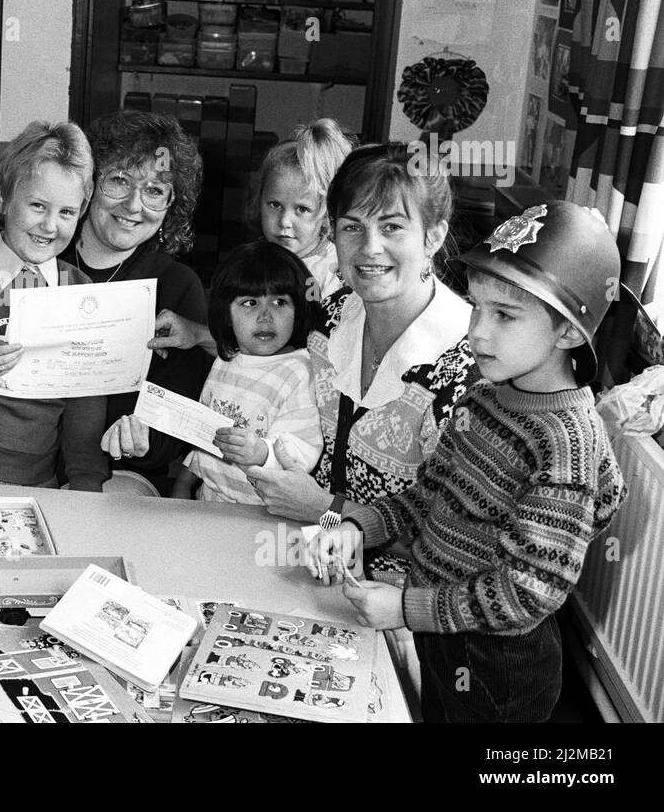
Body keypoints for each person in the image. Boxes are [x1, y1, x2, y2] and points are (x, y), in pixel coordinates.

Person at [308, 202, 626, 722]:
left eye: (504, 315)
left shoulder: (566, 444)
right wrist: (357, 527)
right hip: (440, 628)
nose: (478, 332)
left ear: (568, 332)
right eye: (477, 307)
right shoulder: (484, 395)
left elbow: (527, 590)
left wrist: (408, 608)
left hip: (497, 669)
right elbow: (429, 494)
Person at [150, 144, 477, 573]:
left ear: (433, 235)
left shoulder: (467, 367)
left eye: (392, 227)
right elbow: (263, 361)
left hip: (400, 601)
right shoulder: (331, 316)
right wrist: (198, 336)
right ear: (332, 232)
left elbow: (459, 545)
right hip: (293, 558)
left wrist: (325, 509)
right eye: (352, 227)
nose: (369, 248)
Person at [0, 110, 209, 494]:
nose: (134, 205)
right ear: (94, 187)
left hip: (93, 469)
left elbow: (127, 415)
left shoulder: (167, 286)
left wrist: (130, 450)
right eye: (119, 181)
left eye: (154, 191)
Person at [0, 120, 108, 491]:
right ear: (3, 198)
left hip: (37, 479)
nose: (49, 225)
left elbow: (85, 407)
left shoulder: (82, 294)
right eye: (38, 206)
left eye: (66, 213)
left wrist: (86, 487)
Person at [172, 241, 322, 502]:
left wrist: (262, 452)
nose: (266, 316)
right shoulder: (226, 359)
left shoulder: (297, 371)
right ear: (226, 313)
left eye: (280, 302)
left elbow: (304, 448)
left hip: (262, 511)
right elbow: (205, 433)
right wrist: (184, 482)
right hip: (208, 499)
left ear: (298, 311)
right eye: (250, 302)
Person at [251, 118, 353, 299]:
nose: (284, 222)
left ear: (326, 212)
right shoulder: (252, 262)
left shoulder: (333, 275)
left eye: (302, 209)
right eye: (275, 205)